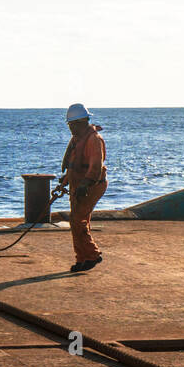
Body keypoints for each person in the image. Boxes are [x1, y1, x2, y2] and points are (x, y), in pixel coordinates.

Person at [58, 103, 106, 272]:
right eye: (69, 124)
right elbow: (74, 165)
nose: (70, 128)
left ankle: (93, 254)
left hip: (91, 186)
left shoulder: (94, 140)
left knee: (78, 220)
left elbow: (95, 167)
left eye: (72, 124)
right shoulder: (77, 139)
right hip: (77, 184)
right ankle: (81, 259)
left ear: (82, 121)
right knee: (76, 222)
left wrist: (85, 184)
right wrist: (66, 180)